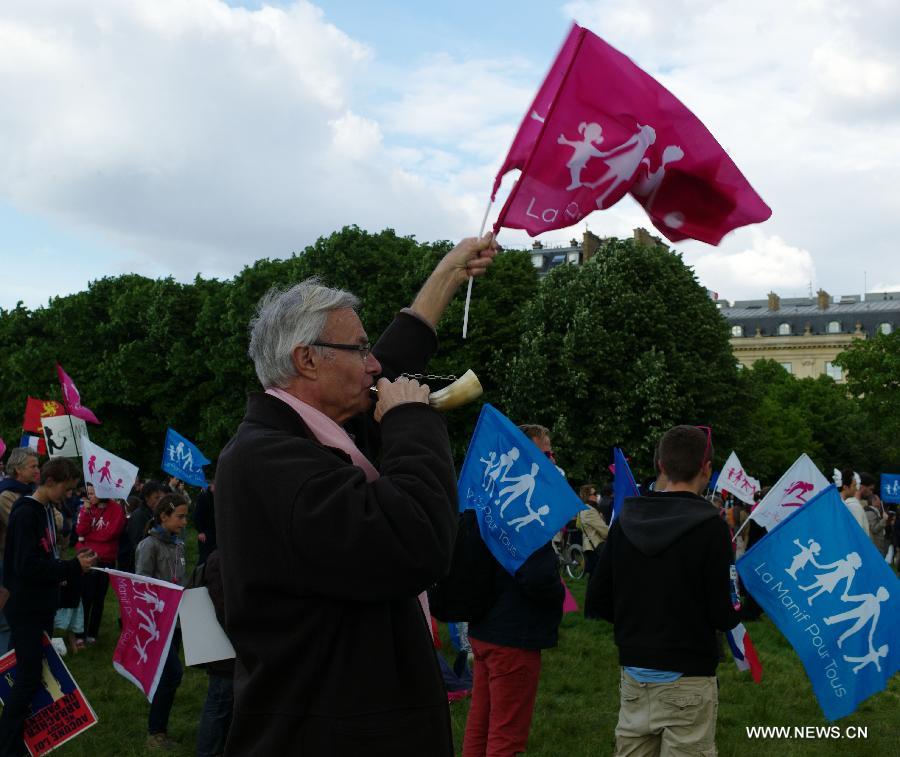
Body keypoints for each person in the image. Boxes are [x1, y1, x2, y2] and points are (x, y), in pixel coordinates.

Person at [216, 234, 497, 756]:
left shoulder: (302, 433)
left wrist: (448, 274)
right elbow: (416, 539)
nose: (374, 366)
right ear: (307, 360)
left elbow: (388, 361)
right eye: (359, 348)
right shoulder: (270, 461)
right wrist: (413, 420)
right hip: (330, 734)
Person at [585, 425, 740, 756]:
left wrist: (639, 625)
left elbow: (598, 598)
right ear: (707, 468)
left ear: (660, 465)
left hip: (636, 673)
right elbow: (723, 612)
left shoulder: (626, 519)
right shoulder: (711, 527)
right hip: (687, 678)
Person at [461, 424, 564, 757]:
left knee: (481, 721)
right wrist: (556, 591)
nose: (552, 459)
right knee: (506, 735)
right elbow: (537, 578)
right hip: (513, 635)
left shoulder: (489, 500)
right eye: (546, 453)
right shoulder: (523, 510)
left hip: (485, 626)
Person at [0, 458, 96, 755]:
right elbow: (26, 566)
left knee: (26, 673)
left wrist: (65, 569)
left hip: (40, 604)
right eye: (66, 490)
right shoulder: (25, 512)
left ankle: (22, 740)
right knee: (28, 677)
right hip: (27, 607)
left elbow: (46, 555)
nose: (69, 496)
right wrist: (69, 568)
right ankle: (7, 745)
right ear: (50, 481)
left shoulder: (44, 510)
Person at [135, 493, 189, 751]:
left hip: (177, 621)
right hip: (158, 623)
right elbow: (141, 584)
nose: (184, 521)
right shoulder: (149, 545)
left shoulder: (179, 543)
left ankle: (160, 728)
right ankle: (155, 732)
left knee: (168, 677)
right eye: (180, 516)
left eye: (185, 516)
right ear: (163, 516)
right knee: (172, 674)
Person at [0, 449, 41, 655]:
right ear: (17, 469)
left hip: (23, 561)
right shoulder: (6, 495)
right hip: (5, 562)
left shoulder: (32, 492)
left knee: (21, 615)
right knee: (5, 619)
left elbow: (58, 520)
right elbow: (27, 529)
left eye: (37, 465)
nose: (37, 470)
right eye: (33, 466)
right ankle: (5, 664)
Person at [75, 483, 126, 643]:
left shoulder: (116, 509)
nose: (90, 496)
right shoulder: (87, 509)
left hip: (105, 559)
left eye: (93, 493)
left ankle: (92, 633)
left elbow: (110, 533)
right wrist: (85, 512)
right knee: (85, 596)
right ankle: (80, 633)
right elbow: (80, 531)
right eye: (88, 493)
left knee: (98, 597)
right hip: (87, 557)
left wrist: (91, 537)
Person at [195, 549, 234, 757]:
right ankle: (207, 752)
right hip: (223, 646)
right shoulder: (222, 559)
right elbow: (223, 606)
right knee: (219, 700)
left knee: (227, 700)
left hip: (231, 644)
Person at [121, 481, 166, 573]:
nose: (160, 500)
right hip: (136, 564)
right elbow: (137, 543)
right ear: (147, 498)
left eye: (161, 497)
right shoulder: (139, 515)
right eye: (156, 498)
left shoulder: (154, 513)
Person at [579, 483, 609, 576]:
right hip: (595, 546)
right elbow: (603, 530)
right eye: (594, 494)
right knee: (598, 576)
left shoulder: (585, 508)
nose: (597, 496)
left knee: (595, 577)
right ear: (587, 496)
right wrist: (613, 533)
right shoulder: (589, 510)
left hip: (591, 547)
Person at [858, 473, 888, 556]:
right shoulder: (865, 509)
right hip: (868, 548)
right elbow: (874, 529)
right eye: (871, 489)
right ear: (862, 487)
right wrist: (884, 520)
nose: (871, 493)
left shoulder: (862, 506)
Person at [837, 469, 870, 537]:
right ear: (845, 487)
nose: (856, 489)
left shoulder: (840, 503)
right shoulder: (841, 505)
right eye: (854, 486)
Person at [193, 478, 216, 566]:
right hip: (205, 532)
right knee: (204, 558)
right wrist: (200, 531)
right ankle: (199, 576)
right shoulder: (203, 496)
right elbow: (197, 515)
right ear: (212, 486)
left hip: (214, 532)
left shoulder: (216, 497)